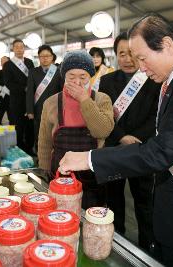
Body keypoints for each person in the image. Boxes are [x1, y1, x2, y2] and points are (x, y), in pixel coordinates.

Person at [59, 13, 173, 267]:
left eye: (142, 58)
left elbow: (160, 152)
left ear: (164, 44)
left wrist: (88, 158)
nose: (140, 67)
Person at [99, 31, 160, 251]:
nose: (127, 59)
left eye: (131, 53)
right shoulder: (106, 81)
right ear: (115, 56)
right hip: (115, 148)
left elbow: (157, 116)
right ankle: (117, 242)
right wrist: (121, 136)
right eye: (121, 53)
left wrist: (137, 138)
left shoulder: (154, 80)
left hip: (143, 149)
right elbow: (104, 115)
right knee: (114, 200)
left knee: (144, 202)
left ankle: (148, 248)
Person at [38, 50, 114, 208]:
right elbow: (44, 140)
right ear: (64, 76)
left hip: (92, 174)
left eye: (83, 77)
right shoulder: (51, 102)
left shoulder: (102, 99)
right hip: (60, 174)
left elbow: (102, 131)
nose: (77, 82)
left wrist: (84, 100)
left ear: (90, 77)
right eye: (71, 77)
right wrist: (44, 169)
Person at [26, 45, 63, 152]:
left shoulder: (58, 71)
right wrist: (30, 111)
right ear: (38, 58)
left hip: (55, 109)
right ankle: (40, 156)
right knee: (39, 134)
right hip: (38, 110)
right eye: (42, 56)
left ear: (52, 57)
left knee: (55, 133)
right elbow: (29, 93)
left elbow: (62, 91)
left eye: (48, 56)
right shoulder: (33, 72)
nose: (45, 58)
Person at [2, 39, 35, 154]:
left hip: (30, 100)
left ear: (24, 48)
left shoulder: (30, 63)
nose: (19, 49)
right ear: (13, 49)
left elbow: (33, 79)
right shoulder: (8, 65)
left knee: (30, 126)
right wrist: (23, 88)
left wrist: (30, 89)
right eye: (17, 47)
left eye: (21, 47)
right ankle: (19, 149)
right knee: (18, 126)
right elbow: (8, 83)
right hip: (16, 101)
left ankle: (29, 148)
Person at [0, 56, 10, 122]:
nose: (3, 63)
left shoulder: (13, 72)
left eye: (5, 62)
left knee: (12, 120)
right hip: (0, 100)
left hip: (10, 100)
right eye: (1, 61)